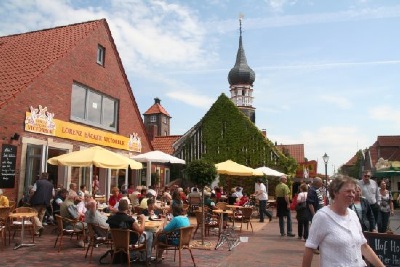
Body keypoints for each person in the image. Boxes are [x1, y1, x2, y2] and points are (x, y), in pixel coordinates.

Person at [302, 175, 385, 267]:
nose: (352, 194)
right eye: (348, 191)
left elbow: (363, 246)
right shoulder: (322, 217)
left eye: (353, 191)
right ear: (335, 192)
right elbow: (310, 248)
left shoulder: (353, 215)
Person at [107, 199, 153, 263]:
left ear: (119, 207)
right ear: (128, 208)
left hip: (117, 241)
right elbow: (141, 231)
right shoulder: (129, 220)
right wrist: (143, 220)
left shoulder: (111, 219)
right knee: (150, 234)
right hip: (130, 242)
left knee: (146, 233)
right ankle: (147, 258)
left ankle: (140, 255)